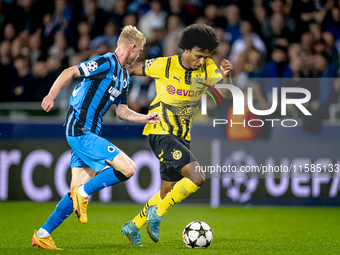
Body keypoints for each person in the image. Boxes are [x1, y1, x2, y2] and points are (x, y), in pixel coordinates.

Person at [31, 25, 160, 250]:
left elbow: (122, 111)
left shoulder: (124, 78)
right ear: (130, 47)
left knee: (74, 198)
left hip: (90, 133)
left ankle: (42, 234)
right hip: (80, 130)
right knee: (128, 169)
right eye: (138, 51)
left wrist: (145, 118)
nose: (138, 56)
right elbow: (70, 72)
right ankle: (83, 192)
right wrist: (51, 96)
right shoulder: (107, 62)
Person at [121, 24, 233, 247]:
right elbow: (131, 70)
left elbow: (225, 94)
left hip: (182, 137)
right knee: (198, 178)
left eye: (206, 57)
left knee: (166, 191)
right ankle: (157, 215)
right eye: (199, 56)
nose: (201, 61)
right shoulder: (165, 64)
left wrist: (228, 77)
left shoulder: (208, 68)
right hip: (160, 131)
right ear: (187, 50)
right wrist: (115, 91)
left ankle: (132, 226)